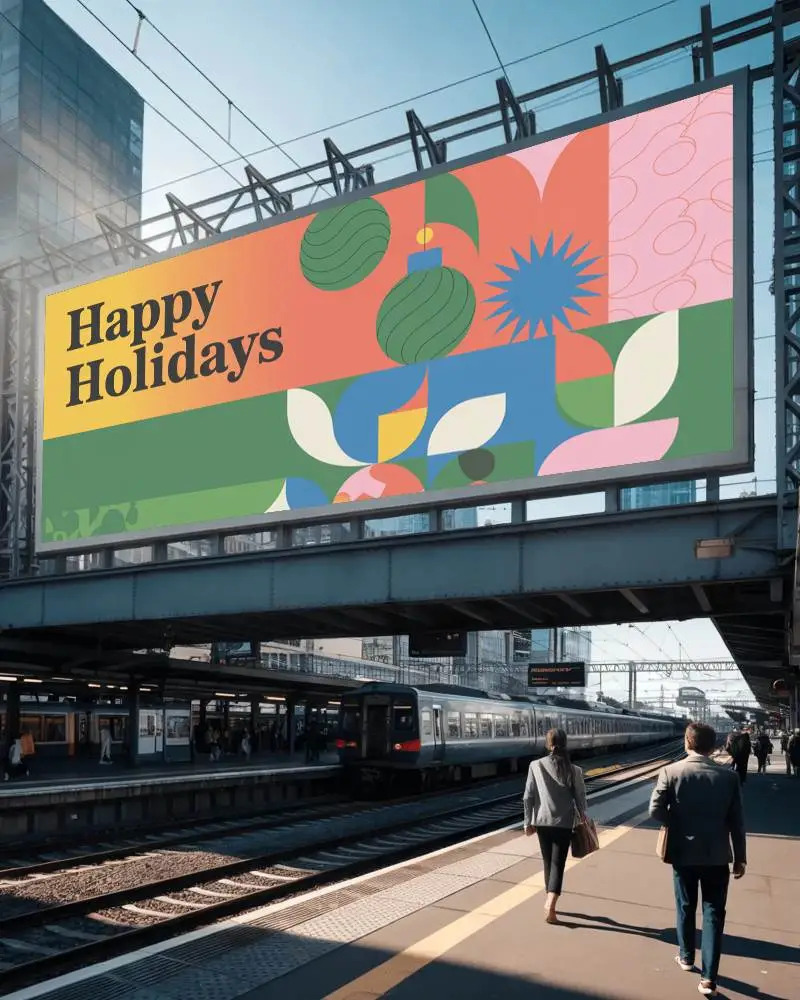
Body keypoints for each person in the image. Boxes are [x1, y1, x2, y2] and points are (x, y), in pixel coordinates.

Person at [649, 722, 746, 998]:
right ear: (713, 746)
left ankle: (686, 956)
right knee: (714, 914)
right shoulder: (729, 777)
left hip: (683, 852)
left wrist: (676, 823)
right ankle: (708, 980)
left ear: (687, 742)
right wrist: (740, 858)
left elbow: (655, 809)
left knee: (685, 905)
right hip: (718, 855)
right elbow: (737, 822)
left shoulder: (671, 772)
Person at [523, 728, 587, 925]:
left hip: (542, 822)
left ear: (548, 744)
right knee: (558, 863)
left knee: (547, 861)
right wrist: (584, 816)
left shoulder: (535, 765)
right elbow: (580, 798)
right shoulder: (574, 770)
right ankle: (550, 904)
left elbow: (528, 796)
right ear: (565, 744)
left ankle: (549, 898)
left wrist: (527, 822)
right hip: (564, 823)